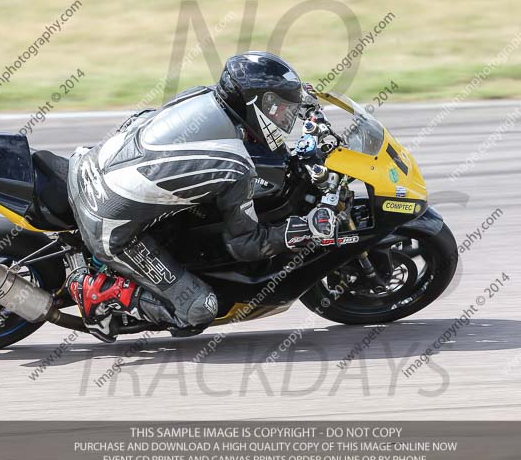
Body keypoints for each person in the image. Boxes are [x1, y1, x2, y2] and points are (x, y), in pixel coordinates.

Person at [65, 51, 335, 342]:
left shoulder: (204, 96)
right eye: (279, 108)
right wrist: (304, 229)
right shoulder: (236, 165)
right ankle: (100, 292)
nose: (286, 117)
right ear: (254, 103)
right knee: (198, 309)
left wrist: (299, 99)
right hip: (106, 222)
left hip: (86, 166)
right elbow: (245, 245)